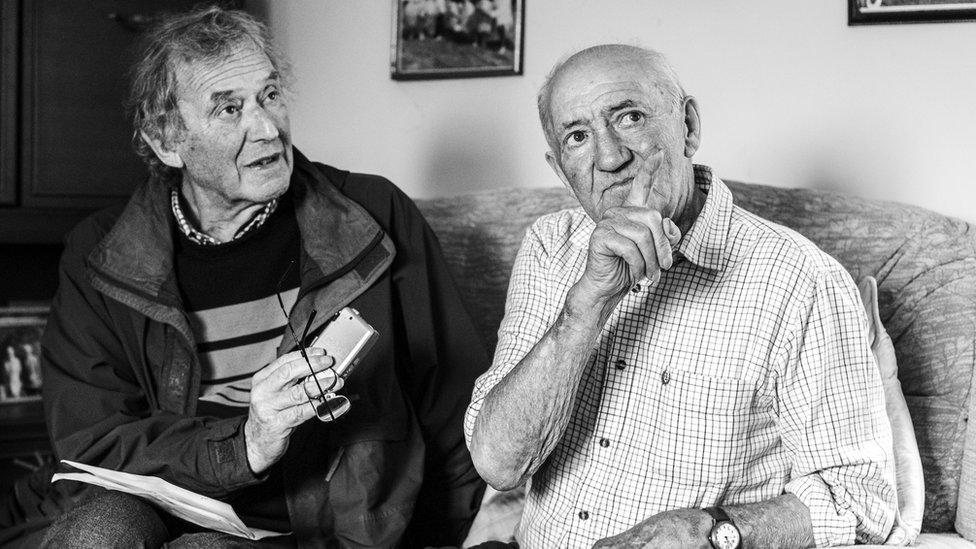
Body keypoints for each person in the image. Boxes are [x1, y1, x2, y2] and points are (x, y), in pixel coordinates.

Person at [35, 6, 487, 547]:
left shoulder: (374, 214)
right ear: (166, 140)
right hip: (163, 503)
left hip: (321, 527)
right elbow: (95, 440)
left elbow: (455, 399)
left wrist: (463, 535)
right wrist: (244, 446)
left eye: (270, 96)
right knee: (95, 532)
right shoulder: (103, 253)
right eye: (229, 109)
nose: (269, 129)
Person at [464, 44, 897, 548]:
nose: (610, 158)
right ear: (561, 168)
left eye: (629, 117)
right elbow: (499, 463)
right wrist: (587, 304)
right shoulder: (549, 245)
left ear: (689, 126)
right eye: (578, 137)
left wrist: (708, 530)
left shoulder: (802, 279)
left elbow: (862, 500)